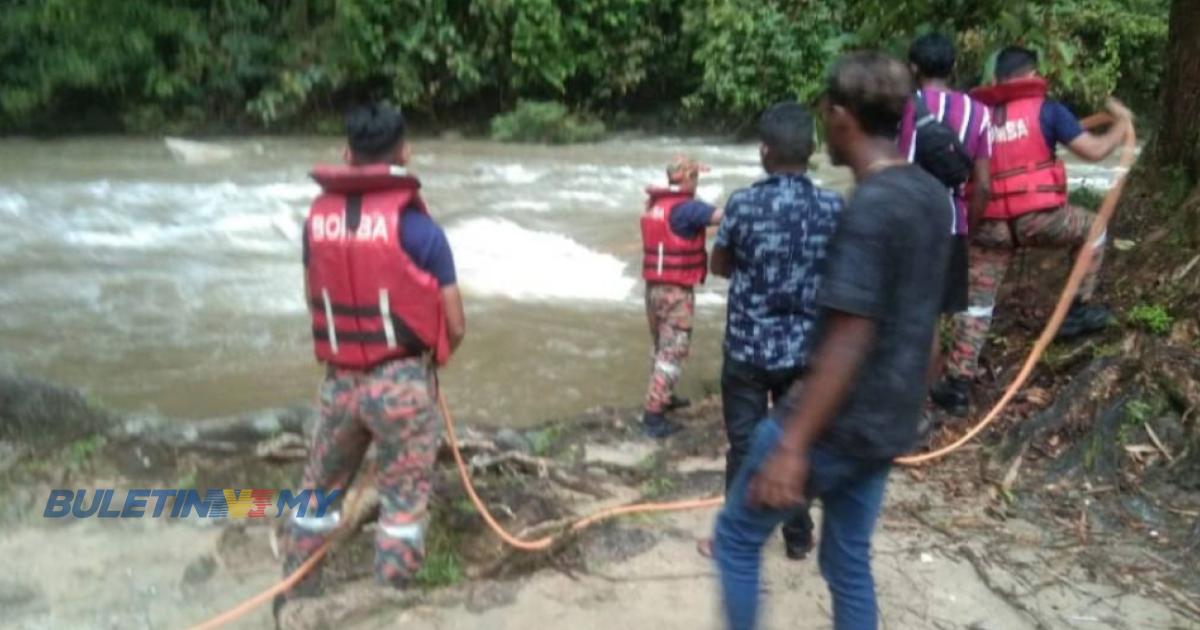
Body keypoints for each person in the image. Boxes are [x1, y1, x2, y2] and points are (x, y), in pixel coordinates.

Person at [713, 52, 952, 630]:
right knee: (847, 559)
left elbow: (849, 335)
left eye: (826, 109)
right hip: (886, 420)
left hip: (833, 421)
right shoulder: (929, 195)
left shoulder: (870, 207)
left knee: (735, 539)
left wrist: (793, 445)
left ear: (841, 116)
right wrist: (919, 397)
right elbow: (929, 314)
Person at [282, 104, 466, 601]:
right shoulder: (421, 231)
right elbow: (455, 323)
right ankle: (388, 598)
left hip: (338, 383)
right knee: (403, 505)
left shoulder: (314, 225)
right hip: (402, 384)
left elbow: (312, 298)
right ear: (404, 153)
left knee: (317, 495)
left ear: (345, 154)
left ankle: (298, 591)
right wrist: (429, 363)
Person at [930, 45, 1134, 415]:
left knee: (976, 305)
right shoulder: (1049, 110)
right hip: (1040, 219)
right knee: (1095, 228)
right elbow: (1095, 151)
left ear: (998, 79)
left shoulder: (976, 116)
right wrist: (1121, 122)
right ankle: (1075, 311)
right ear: (1032, 73)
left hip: (989, 225)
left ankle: (958, 385)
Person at [704, 102, 844, 561]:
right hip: (805, 349)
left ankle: (735, 540)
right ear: (813, 150)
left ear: (764, 152)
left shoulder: (743, 203)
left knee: (744, 445)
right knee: (793, 441)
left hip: (747, 346)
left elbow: (719, 265)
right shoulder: (832, 207)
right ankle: (798, 537)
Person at [898, 32, 992, 386]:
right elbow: (983, 185)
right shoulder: (979, 112)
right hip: (953, 222)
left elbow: (899, 172)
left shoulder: (904, 109)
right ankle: (927, 400)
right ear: (953, 67)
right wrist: (972, 226)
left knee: (910, 319)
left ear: (913, 67)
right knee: (933, 318)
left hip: (912, 226)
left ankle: (910, 405)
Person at [640, 156, 722, 438]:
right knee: (673, 351)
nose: (697, 182)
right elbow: (723, 217)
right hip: (675, 291)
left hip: (653, 289)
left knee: (661, 345)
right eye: (696, 177)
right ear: (686, 177)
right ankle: (653, 416)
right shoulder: (688, 209)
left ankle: (664, 396)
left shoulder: (656, 206)